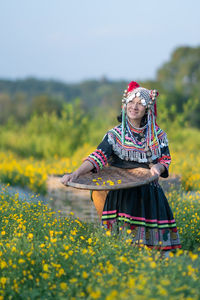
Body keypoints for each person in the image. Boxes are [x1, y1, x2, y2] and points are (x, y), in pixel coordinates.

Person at [61, 81, 181, 255]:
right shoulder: (114, 135)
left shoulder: (158, 135)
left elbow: (165, 159)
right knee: (121, 246)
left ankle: (157, 275)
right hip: (121, 195)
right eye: (131, 103)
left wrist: (158, 167)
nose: (134, 107)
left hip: (149, 195)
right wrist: (75, 174)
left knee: (155, 250)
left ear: (147, 109)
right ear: (124, 106)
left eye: (140, 104)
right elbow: (97, 157)